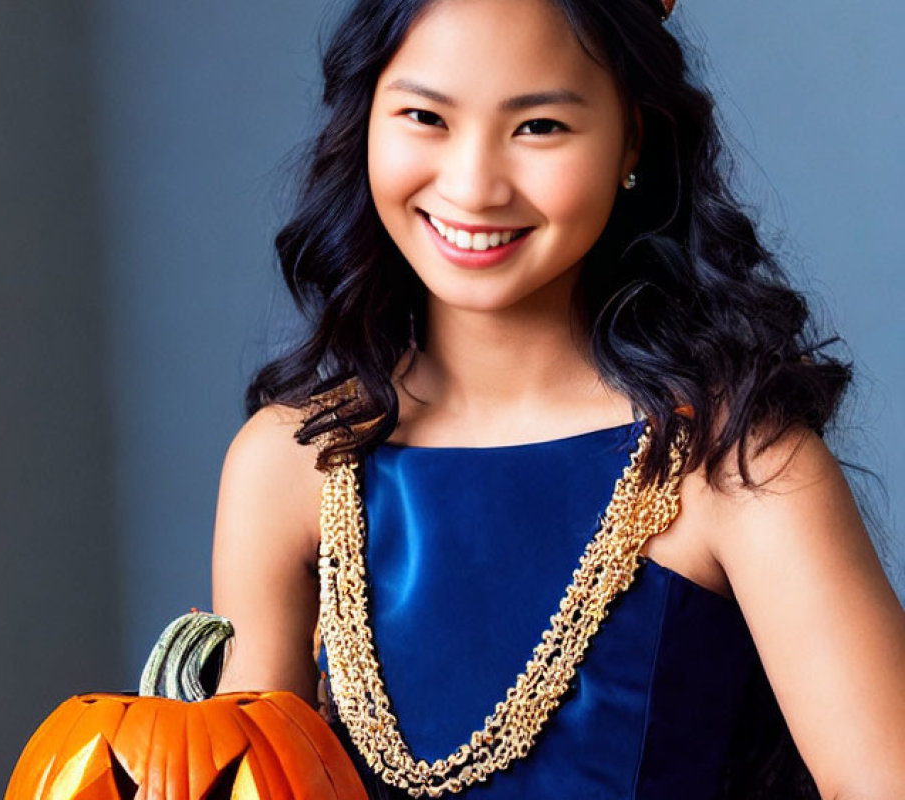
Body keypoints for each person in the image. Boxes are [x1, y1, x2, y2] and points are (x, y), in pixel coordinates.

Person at [210, 0, 905, 797]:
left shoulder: (737, 464)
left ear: (632, 141)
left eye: (538, 126)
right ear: (365, 121)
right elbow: (245, 774)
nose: (473, 186)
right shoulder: (290, 462)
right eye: (425, 116)